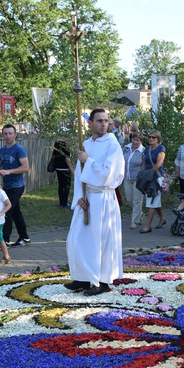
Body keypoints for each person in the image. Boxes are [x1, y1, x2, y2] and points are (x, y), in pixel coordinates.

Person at [64, 108, 125, 296]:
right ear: (90, 123)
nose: (104, 124)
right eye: (99, 121)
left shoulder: (112, 143)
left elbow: (109, 173)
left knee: (101, 242)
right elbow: (79, 176)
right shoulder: (86, 143)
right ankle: (83, 277)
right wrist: (78, 197)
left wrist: (88, 160)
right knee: (77, 240)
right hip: (87, 197)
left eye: (106, 121)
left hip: (103, 198)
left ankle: (102, 281)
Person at [0, 124, 30, 247]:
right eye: (5, 133)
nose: (8, 136)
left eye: (10, 133)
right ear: (2, 135)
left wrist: (9, 171)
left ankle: (4, 241)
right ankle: (24, 237)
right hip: (7, 186)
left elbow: (25, 168)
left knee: (7, 211)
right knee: (15, 212)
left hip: (17, 186)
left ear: (15, 135)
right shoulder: (2, 150)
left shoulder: (19, 149)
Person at [140, 130, 167, 233]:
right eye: (150, 136)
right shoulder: (146, 149)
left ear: (158, 139)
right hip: (148, 177)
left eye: (153, 137)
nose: (151, 139)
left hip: (157, 177)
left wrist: (149, 174)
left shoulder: (161, 148)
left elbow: (158, 164)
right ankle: (162, 218)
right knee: (155, 199)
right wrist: (143, 174)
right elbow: (144, 163)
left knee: (152, 200)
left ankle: (148, 225)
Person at [122, 132, 145, 229]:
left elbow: (143, 166)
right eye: (134, 139)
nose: (135, 142)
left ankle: (134, 221)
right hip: (127, 177)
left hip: (137, 178)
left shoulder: (143, 151)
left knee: (137, 200)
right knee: (129, 199)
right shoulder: (126, 148)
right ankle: (140, 213)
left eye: (137, 140)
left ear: (141, 141)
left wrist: (143, 178)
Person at [50, 139, 73, 208]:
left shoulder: (56, 145)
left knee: (61, 185)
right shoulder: (65, 146)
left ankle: (61, 202)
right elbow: (67, 159)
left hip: (58, 168)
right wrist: (72, 170)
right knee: (66, 186)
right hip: (65, 169)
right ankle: (64, 203)